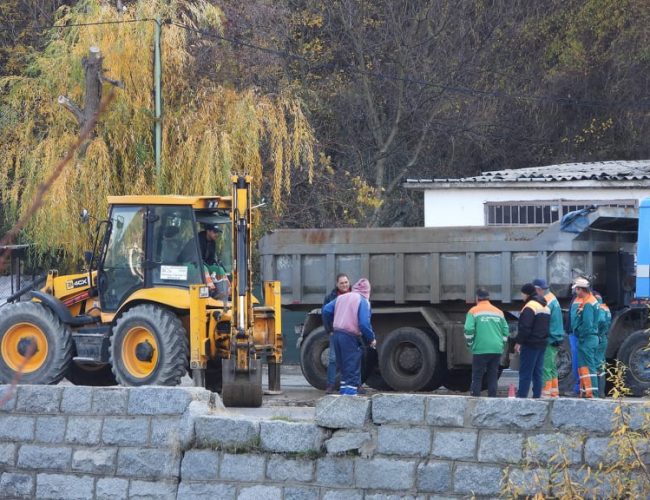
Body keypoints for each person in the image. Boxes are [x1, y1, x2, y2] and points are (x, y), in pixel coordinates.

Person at [321, 278, 376, 395]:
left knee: (344, 369)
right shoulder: (363, 300)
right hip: (349, 336)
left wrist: (329, 328)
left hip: (337, 334)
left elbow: (325, 310)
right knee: (352, 367)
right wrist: (371, 338)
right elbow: (364, 324)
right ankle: (350, 401)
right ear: (367, 291)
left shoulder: (341, 297)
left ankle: (344, 397)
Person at [464, 288, 509, 397]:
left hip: (480, 349)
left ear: (477, 298)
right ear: (489, 298)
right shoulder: (498, 312)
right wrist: (501, 344)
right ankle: (492, 398)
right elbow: (506, 330)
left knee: (477, 375)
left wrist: (470, 343)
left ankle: (475, 398)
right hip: (496, 349)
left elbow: (468, 329)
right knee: (493, 375)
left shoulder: (473, 311)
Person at [514, 283, 550, 398]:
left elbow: (525, 327)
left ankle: (522, 396)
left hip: (530, 344)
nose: (521, 296)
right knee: (537, 372)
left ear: (526, 293)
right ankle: (537, 396)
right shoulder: (545, 306)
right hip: (542, 343)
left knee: (525, 372)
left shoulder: (530, 306)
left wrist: (519, 342)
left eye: (522, 294)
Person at [533, 278, 564, 398]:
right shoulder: (552, 297)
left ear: (538, 289)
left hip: (549, 337)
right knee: (552, 367)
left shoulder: (546, 301)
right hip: (555, 336)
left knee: (545, 367)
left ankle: (545, 393)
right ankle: (554, 392)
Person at [570, 278, 600, 398]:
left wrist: (580, 334)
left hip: (587, 338)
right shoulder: (591, 300)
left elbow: (587, 324)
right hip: (588, 338)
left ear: (580, 289)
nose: (576, 292)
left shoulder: (588, 303)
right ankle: (585, 391)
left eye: (576, 289)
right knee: (583, 366)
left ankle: (592, 392)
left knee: (588, 366)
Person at [323, 274, 351, 394]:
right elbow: (325, 314)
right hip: (337, 332)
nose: (344, 285)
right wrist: (329, 330)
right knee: (333, 359)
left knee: (353, 359)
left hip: (351, 332)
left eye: (346, 282)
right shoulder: (330, 298)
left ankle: (357, 385)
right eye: (342, 283)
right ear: (337, 284)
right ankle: (330, 385)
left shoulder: (354, 296)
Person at [593, 291, 612, 398]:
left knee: (596, 364)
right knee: (601, 364)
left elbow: (600, 321)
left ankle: (598, 392)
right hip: (604, 338)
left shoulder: (598, 308)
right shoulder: (606, 307)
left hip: (599, 338)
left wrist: (597, 333)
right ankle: (602, 392)